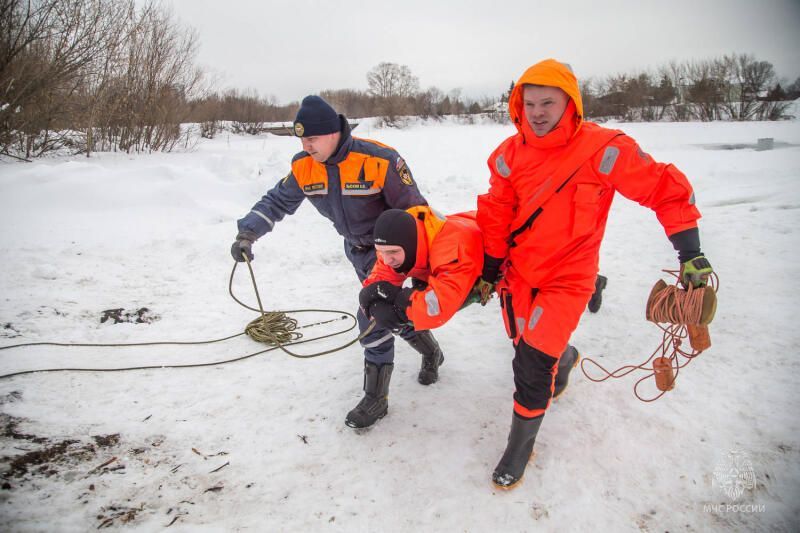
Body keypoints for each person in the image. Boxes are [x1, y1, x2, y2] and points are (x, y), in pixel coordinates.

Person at [476, 59, 714, 489]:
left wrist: (690, 253)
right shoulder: (508, 156)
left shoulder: (604, 149)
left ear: (571, 103)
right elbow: (496, 215)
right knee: (524, 343)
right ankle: (566, 358)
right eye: (530, 104)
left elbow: (664, 189)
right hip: (520, 273)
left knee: (531, 363)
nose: (537, 113)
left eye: (548, 103)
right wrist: (490, 270)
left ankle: (518, 448)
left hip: (569, 276)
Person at [230, 95, 446, 429]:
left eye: (312, 138)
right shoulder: (305, 167)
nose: (306, 145)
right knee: (389, 312)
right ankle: (431, 352)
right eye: (302, 139)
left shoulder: (379, 160)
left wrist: (415, 261)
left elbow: (416, 211)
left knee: (371, 315)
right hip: (357, 251)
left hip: (391, 253)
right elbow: (276, 202)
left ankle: (376, 399)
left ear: (333, 132)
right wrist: (248, 233)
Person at [354, 206, 484, 424]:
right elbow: (379, 279)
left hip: (495, 260)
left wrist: (399, 300)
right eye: (381, 252)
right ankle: (376, 397)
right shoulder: (396, 242)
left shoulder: (452, 248)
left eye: (392, 253)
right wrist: (373, 304)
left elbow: (437, 308)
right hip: (439, 260)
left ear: (409, 244)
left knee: (410, 309)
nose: (386, 259)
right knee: (394, 311)